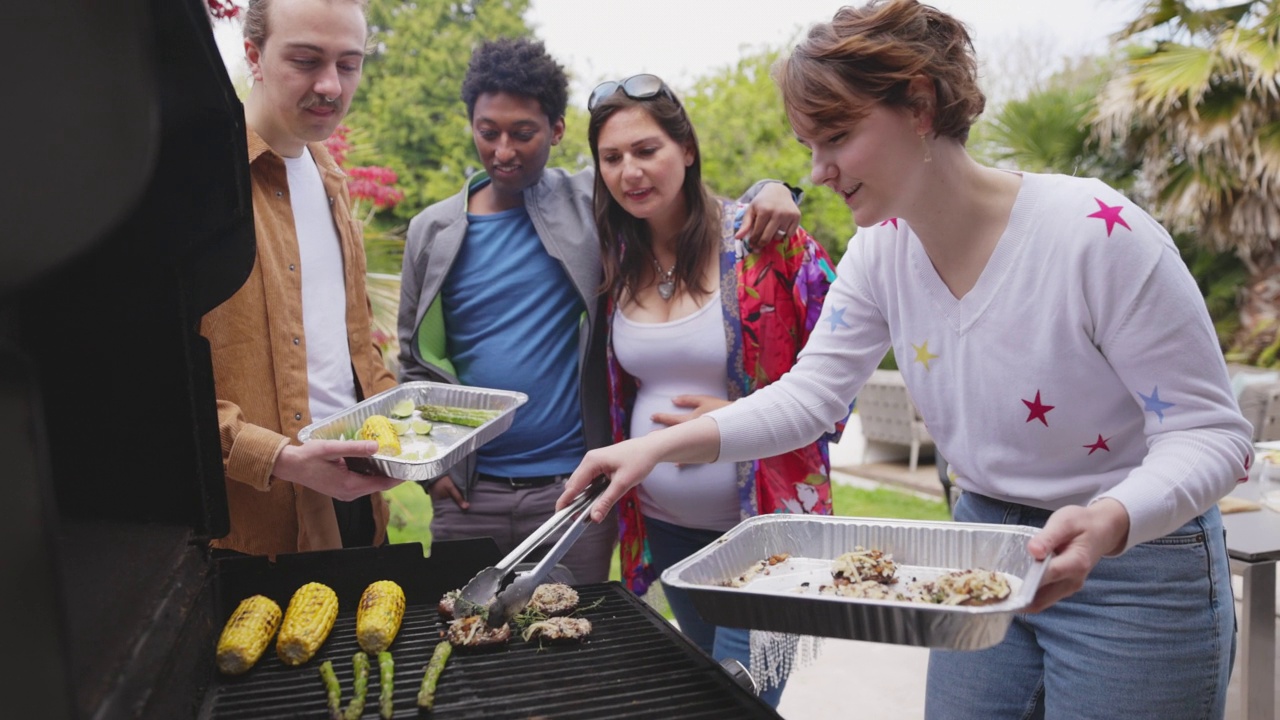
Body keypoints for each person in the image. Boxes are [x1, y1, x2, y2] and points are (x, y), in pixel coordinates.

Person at [562, 2, 1252, 718]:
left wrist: (1110, 519)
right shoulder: (881, 252)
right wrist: (652, 449)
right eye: (808, 145)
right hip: (983, 543)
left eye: (835, 138)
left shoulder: (1097, 236)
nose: (817, 172)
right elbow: (811, 397)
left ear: (919, 104)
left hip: (1136, 562)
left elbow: (1211, 434)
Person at [396, 38, 802, 585]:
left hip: (573, 484)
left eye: (523, 133)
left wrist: (772, 188)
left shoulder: (591, 205)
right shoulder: (431, 231)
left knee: (571, 649)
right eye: (487, 131)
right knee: (468, 647)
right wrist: (433, 469)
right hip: (469, 494)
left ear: (557, 131)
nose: (504, 150)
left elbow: (679, 197)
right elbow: (414, 362)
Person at [585, 74, 842, 706]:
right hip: (668, 528)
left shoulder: (766, 241)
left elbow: (844, 366)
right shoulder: (616, 257)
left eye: (647, 150)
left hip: (764, 528)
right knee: (701, 688)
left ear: (687, 148)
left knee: (736, 699)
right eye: (612, 158)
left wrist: (748, 417)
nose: (631, 172)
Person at [202, 0, 403, 558]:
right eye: (306, 59)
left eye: (348, 63)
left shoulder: (331, 181)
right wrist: (279, 458)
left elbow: (353, 350)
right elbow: (158, 384)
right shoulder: (200, 187)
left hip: (356, 500)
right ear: (253, 56)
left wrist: (411, 425)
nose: (330, 86)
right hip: (252, 527)